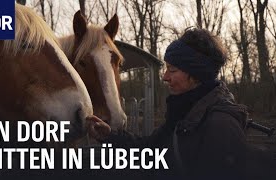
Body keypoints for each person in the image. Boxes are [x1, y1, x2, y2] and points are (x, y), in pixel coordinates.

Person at [87, 27, 249, 179]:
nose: (165, 77)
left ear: (196, 74)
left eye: (172, 70)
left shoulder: (221, 126)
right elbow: (149, 149)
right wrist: (110, 136)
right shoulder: (185, 114)